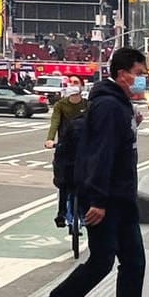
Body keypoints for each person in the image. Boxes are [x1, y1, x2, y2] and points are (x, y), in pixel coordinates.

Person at [26, 48, 149, 297]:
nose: (142, 79)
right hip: (105, 199)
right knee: (101, 262)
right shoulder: (110, 106)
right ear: (122, 74)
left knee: (134, 262)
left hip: (121, 198)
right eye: (139, 73)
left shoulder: (119, 105)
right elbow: (99, 154)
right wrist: (97, 201)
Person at [44, 78, 89, 227]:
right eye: (70, 83)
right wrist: (50, 139)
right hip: (65, 145)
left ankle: (84, 212)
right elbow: (55, 122)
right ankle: (61, 214)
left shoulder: (88, 105)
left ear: (82, 87)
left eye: (76, 82)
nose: (72, 85)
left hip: (84, 146)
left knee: (87, 180)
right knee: (63, 182)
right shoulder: (60, 105)